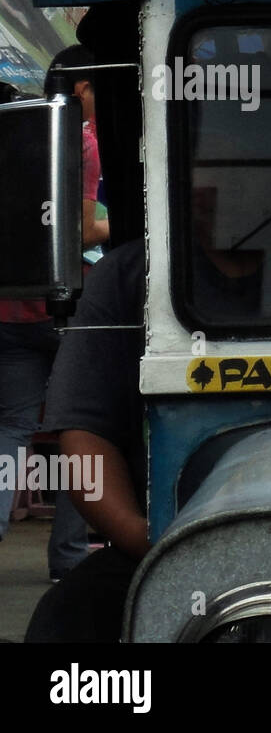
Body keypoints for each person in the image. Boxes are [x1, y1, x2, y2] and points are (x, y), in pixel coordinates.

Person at [0, 45, 109, 582]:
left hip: (10, 308)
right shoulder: (79, 140)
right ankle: (68, 559)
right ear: (83, 89)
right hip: (66, 308)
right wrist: (138, 226)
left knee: (12, 429)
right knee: (79, 429)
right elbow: (84, 229)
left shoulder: (11, 131)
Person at [25, 239, 146, 642]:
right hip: (160, 540)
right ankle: (67, 557)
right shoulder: (128, 274)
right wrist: (136, 533)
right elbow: (85, 428)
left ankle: (66, 555)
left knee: (11, 429)